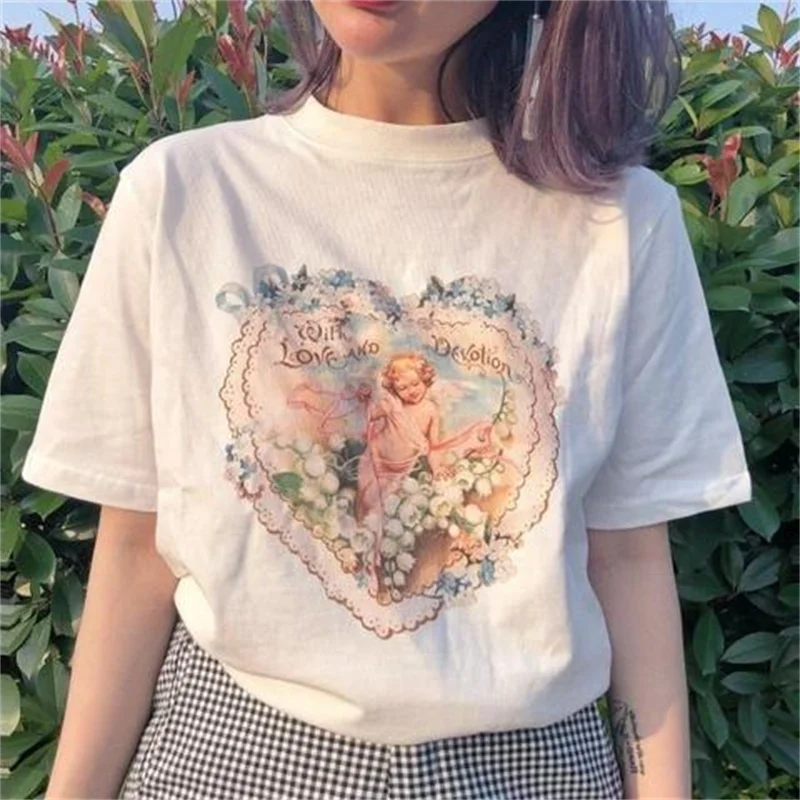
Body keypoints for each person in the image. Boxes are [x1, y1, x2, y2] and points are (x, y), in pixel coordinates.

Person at [22, 0, 753, 798]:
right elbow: (136, 548)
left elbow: (627, 556)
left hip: (534, 771)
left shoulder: (619, 223)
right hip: (227, 757)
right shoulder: (184, 193)